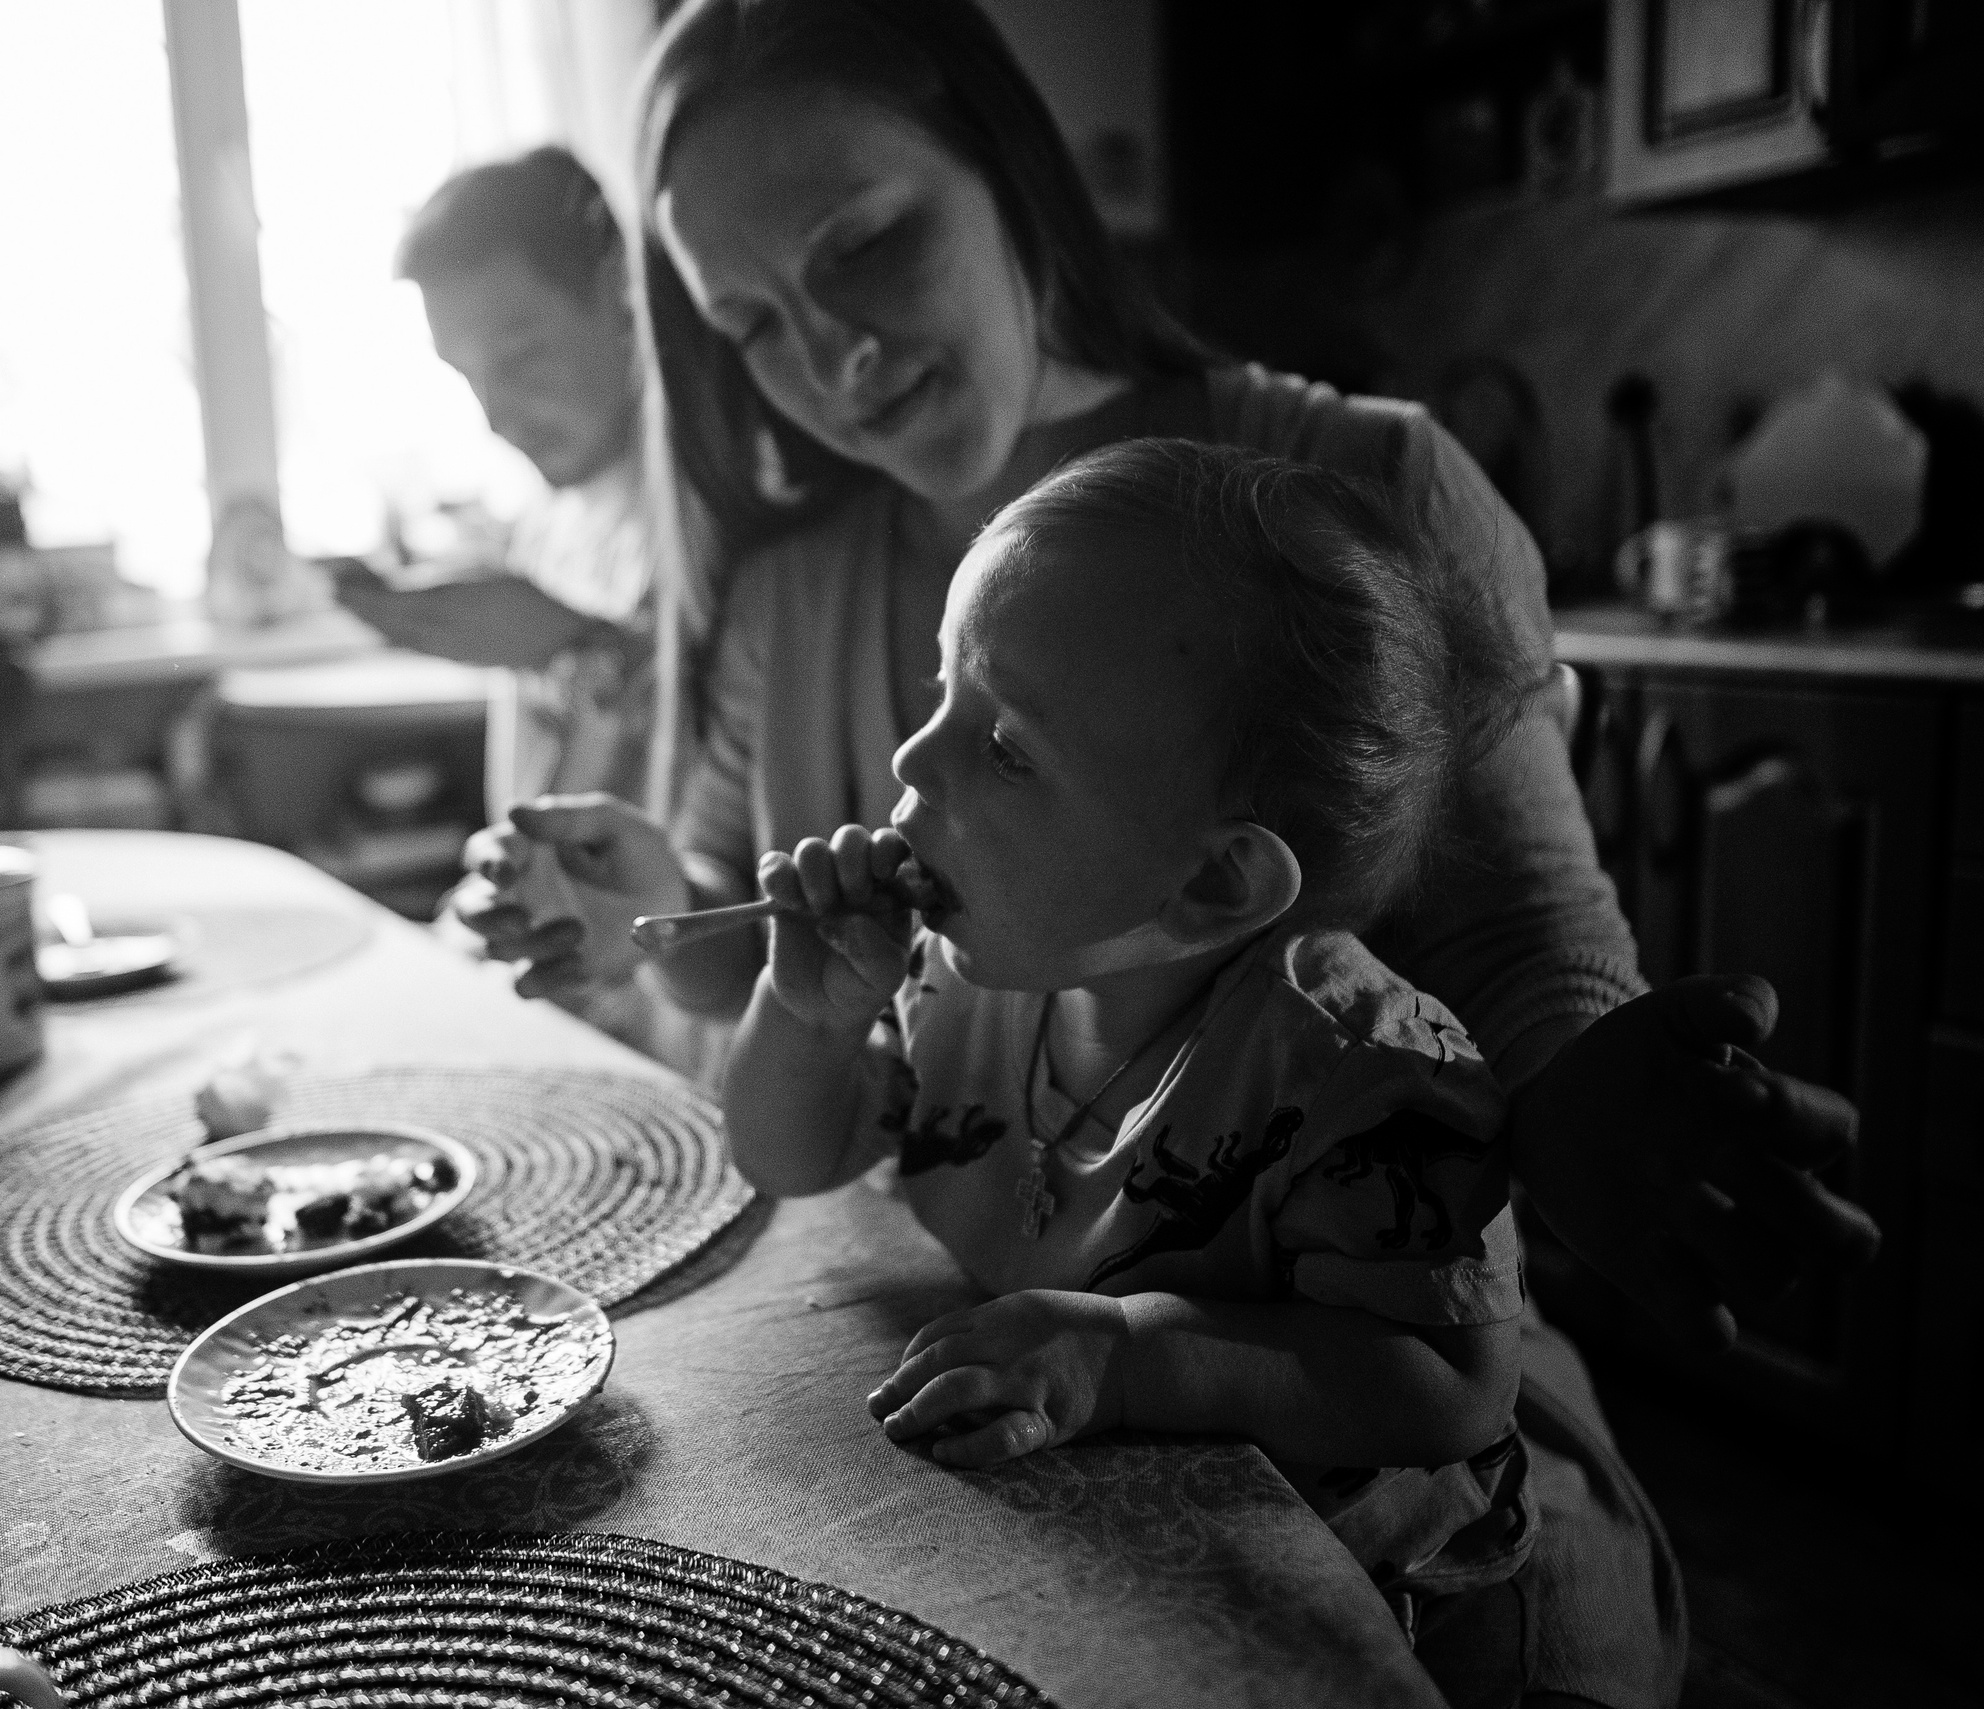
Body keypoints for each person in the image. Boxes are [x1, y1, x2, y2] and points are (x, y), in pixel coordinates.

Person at [454, 2, 1875, 1703]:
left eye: (871, 246)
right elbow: (766, 952)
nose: (832, 362)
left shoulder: (1354, 483)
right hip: (997, 1356)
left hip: (1352, 1423)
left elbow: (1523, 951)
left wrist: (1589, 1086)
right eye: (751, 323)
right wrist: (640, 917)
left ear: (1012, 175)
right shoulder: (790, 583)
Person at [728, 438, 1541, 1668]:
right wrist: (808, 1015)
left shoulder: (1366, 1079)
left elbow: (1448, 1383)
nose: (908, 760)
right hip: (1060, 1530)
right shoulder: (962, 969)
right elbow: (787, 1156)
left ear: (1215, 879)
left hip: (1344, 1603)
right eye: (941, 685)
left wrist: (1133, 1354)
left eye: (1006, 747)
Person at [335, 145, 651, 814]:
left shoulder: (708, 514)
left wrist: (580, 643)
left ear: (616, 292)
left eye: (521, 356)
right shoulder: (544, 521)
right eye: (466, 376)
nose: (495, 416)